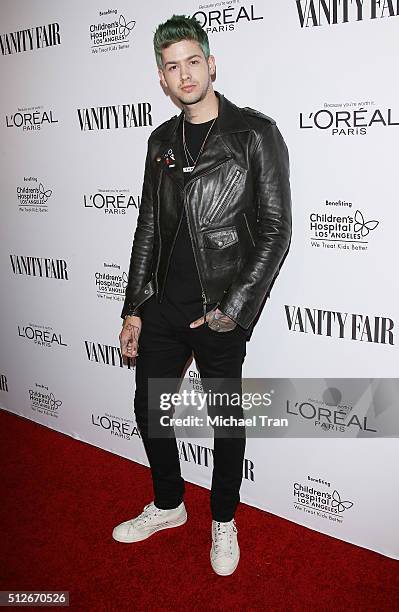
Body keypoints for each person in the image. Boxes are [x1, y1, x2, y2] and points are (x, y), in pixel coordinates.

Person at [113, 14, 292, 576]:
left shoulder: (254, 135)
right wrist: (134, 307)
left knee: (225, 420)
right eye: (172, 66)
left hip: (220, 308)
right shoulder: (160, 141)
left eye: (193, 61)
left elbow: (275, 231)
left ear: (211, 65)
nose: (184, 74)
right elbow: (148, 226)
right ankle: (169, 506)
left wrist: (234, 311)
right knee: (150, 409)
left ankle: (223, 519)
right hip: (164, 305)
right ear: (161, 79)